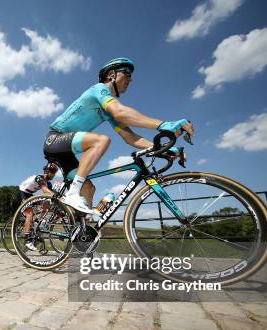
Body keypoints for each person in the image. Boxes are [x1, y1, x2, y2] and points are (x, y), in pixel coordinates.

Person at [44, 57, 195, 213]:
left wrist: (163, 148)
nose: (131, 79)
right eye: (127, 73)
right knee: (101, 141)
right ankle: (72, 194)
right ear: (112, 74)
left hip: (67, 153)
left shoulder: (109, 112)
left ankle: (81, 233)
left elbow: (131, 138)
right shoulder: (99, 89)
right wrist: (163, 125)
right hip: (54, 139)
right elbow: (120, 112)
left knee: (88, 188)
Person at [18, 163, 58, 251]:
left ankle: (39, 221)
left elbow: (50, 193)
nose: (54, 175)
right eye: (53, 173)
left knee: (47, 203)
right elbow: (45, 190)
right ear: (47, 172)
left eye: (54, 173)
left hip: (30, 195)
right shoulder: (39, 178)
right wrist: (56, 197)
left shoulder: (48, 183)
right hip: (23, 193)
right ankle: (27, 239)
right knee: (30, 214)